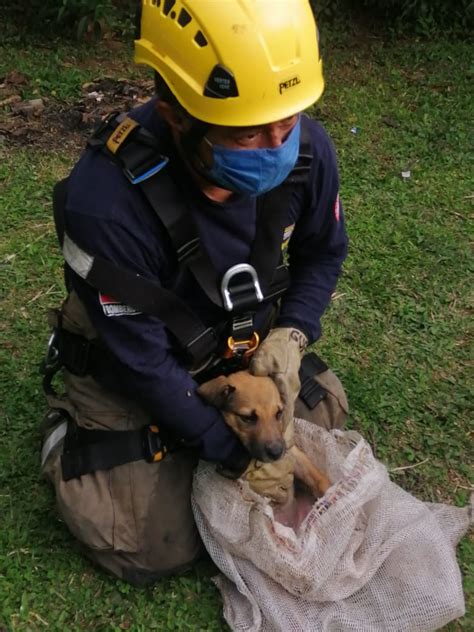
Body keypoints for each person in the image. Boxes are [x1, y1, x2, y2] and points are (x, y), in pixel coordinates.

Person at [40, 0, 349, 586]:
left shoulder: (307, 151)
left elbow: (322, 252)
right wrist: (235, 458)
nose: (278, 145)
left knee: (324, 414)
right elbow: (144, 361)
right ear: (176, 116)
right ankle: (65, 432)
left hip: (235, 339)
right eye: (250, 131)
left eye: (287, 121)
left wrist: (293, 330)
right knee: (147, 544)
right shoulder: (105, 203)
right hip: (142, 348)